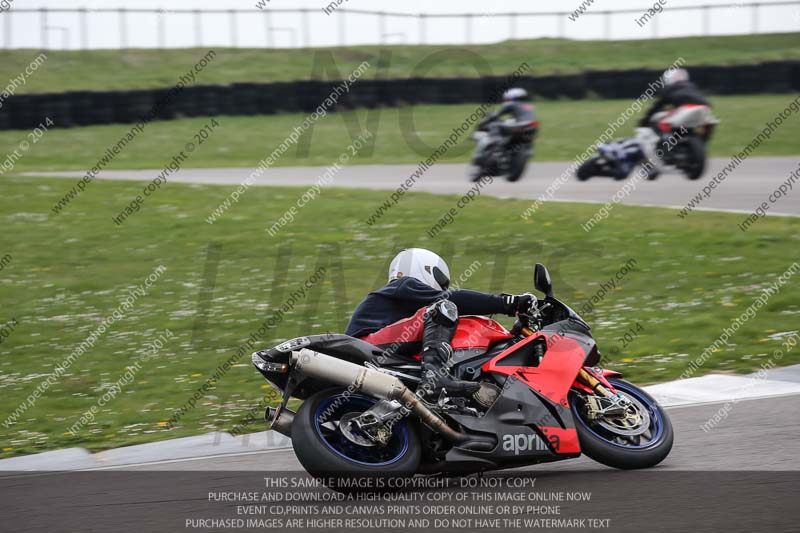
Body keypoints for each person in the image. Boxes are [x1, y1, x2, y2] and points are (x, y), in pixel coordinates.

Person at [345, 248, 534, 399]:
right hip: (365, 344)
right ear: (425, 268)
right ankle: (434, 378)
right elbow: (450, 297)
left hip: (376, 351)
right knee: (443, 307)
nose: (443, 285)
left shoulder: (402, 301)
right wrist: (508, 303)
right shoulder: (404, 284)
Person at [638, 68, 713, 178]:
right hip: (704, 109)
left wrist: (645, 120)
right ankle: (698, 146)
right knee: (705, 124)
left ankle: (665, 149)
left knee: (659, 122)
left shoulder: (670, 88)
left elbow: (657, 106)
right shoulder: (692, 86)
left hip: (684, 110)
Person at [472, 87, 538, 169]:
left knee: (494, 125)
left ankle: (494, 142)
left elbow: (496, 115)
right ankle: (519, 151)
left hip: (520, 126)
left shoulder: (511, 104)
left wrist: (484, 121)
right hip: (532, 126)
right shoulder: (529, 106)